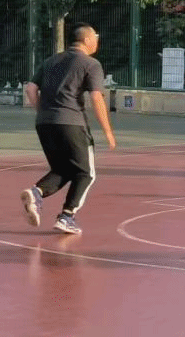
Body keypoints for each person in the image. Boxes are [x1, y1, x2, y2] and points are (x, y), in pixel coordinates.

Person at [20, 22, 116, 235]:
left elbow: (31, 89)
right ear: (87, 39)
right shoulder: (91, 64)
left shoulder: (51, 61)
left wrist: (43, 111)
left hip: (44, 123)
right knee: (86, 173)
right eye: (96, 37)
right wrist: (108, 132)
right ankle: (67, 216)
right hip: (72, 123)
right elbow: (97, 97)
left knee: (63, 169)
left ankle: (36, 193)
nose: (97, 41)